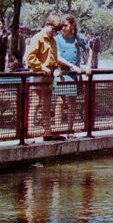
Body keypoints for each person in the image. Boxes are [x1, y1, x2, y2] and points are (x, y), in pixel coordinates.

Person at [26, 13, 65, 141]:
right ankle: (29, 133)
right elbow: (30, 57)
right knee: (36, 103)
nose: (55, 33)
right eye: (54, 29)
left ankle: (47, 133)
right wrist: (42, 67)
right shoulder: (37, 38)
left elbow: (54, 57)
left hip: (50, 76)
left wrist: (57, 68)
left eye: (57, 31)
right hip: (38, 75)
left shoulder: (53, 40)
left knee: (47, 106)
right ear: (47, 24)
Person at [54, 14, 88, 136]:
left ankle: (69, 129)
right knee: (60, 101)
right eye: (62, 26)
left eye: (65, 25)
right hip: (62, 74)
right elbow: (58, 57)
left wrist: (88, 65)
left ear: (72, 25)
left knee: (72, 101)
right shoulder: (57, 39)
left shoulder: (77, 38)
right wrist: (71, 66)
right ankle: (57, 129)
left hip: (74, 76)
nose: (63, 28)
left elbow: (89, 49)